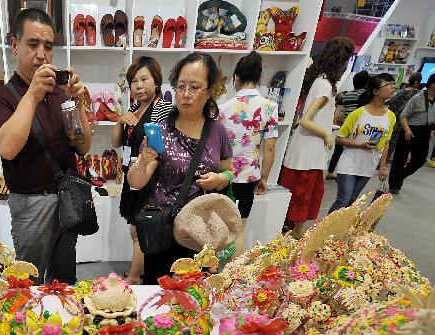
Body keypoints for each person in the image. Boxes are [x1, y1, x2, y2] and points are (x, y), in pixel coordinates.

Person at [0, 8, 91, 284]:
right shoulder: (2, 98)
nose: (42, 54)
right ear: (14, 45)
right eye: (33, 44)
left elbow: (82, 147)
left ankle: (61, 326)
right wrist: (32, 94)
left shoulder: (59, 93)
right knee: (28, 284)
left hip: (67, 199)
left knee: (64, 280)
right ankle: (28, 327)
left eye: (48, 46)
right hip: (31, 204)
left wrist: (78, 104)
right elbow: (7, 149)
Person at [127, 52, 233, 283]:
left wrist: (220, 179)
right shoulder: (161, 130)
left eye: (195, 87)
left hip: (200, 231)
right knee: (159, 298)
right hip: (163, 232)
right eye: (181, 86)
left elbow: (229, 170)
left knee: (195, 299)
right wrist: (143, 160)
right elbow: (136, 182)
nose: (186, 94)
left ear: (209, 91)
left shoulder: (217, 132)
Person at [279, 36, 355, 238]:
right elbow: (306, 119)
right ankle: (296, 233)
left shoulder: (319, 80)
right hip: (310, 149)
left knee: (297, 192)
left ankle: (293, 231)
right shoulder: (324, 85)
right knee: (304, 194)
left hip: (305, 148)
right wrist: (326, 135)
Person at [111, 55, 171, 284]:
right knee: (135, 229)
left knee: (140, 231)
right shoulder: (134, 108)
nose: (138, 85)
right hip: (132, 176)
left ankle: (135, 277)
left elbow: (162, 150)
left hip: (149, 177)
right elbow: (116, 143)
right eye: (134, 81)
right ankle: (138, 270)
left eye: (144, 79)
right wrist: (119, 120)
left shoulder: (163, 109)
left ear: (156, 81)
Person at [222, 50, 278, 254]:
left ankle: (210, 273)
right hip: (248, 177)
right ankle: (232, 277)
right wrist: (264, 178)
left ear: (236, 78)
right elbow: (270, 148)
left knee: (218, 226)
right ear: (259, 78)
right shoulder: (269, 107)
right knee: (239, 228)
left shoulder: (223, 108)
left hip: (223, 175)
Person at [328, 73, 396, 213]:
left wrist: (382, 167)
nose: (392, 87)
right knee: (344, 199)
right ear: (375, 91)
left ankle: (337, 232)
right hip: (349, 163)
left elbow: (386, 144)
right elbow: (339, 138)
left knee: (352, 201)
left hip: (368, 165)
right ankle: (322, 231)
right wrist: (360, 145)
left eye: (392, 84)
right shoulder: (358, 113)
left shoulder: (390, 116)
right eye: (388, 84)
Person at [387, 70, 435, 194]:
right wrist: (407, 130)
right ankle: (394, 185)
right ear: (433, 84)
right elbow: (403, 116)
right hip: (411, 130)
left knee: (419, 160)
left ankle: (400, 176)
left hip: (425, 132)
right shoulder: (417, 97)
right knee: (400, 159)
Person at [326, 69, 370, 179]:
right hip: (357, 128)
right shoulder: (365, 96)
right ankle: (345, 174)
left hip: (345, 125)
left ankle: (330, 172)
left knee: (338, 151)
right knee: (350, 153)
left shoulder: (348, 95)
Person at [386, 73, 421, 158]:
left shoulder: (398, 92)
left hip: (391, 119)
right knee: (396, 145)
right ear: (416, 82)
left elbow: (390, 105)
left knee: (387, 141)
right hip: (405, 123)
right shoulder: (416, 95)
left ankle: (382, 161)